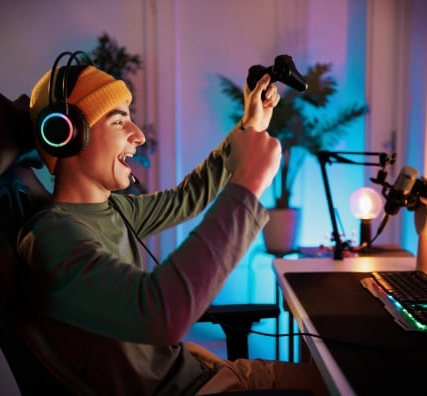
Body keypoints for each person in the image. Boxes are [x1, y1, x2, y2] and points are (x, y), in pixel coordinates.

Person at [17, 51, 328, 395]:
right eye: (119, 121)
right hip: (191, 390)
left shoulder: (116, 210)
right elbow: (159, 315)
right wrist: (248, 186)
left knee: (352, 381)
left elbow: (187, 197)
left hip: (206, 371)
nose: (138, 135)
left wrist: (250, 126)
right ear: (65, 134)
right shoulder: (54, 237)